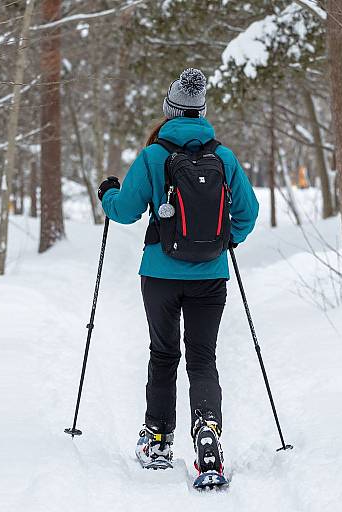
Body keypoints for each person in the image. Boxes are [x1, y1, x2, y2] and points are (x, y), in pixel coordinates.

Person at [97, 68, 259, 481]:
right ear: (202, 111)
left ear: (169, 110)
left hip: (160, 275)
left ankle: (157, 439)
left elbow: (125, 211)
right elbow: (248, 213)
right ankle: (207, 432)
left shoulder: (154, 156)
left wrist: (108, 192)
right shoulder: (222, 156)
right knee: (203, 358)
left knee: (164, 354)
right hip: (210, 276)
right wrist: (226, 240)